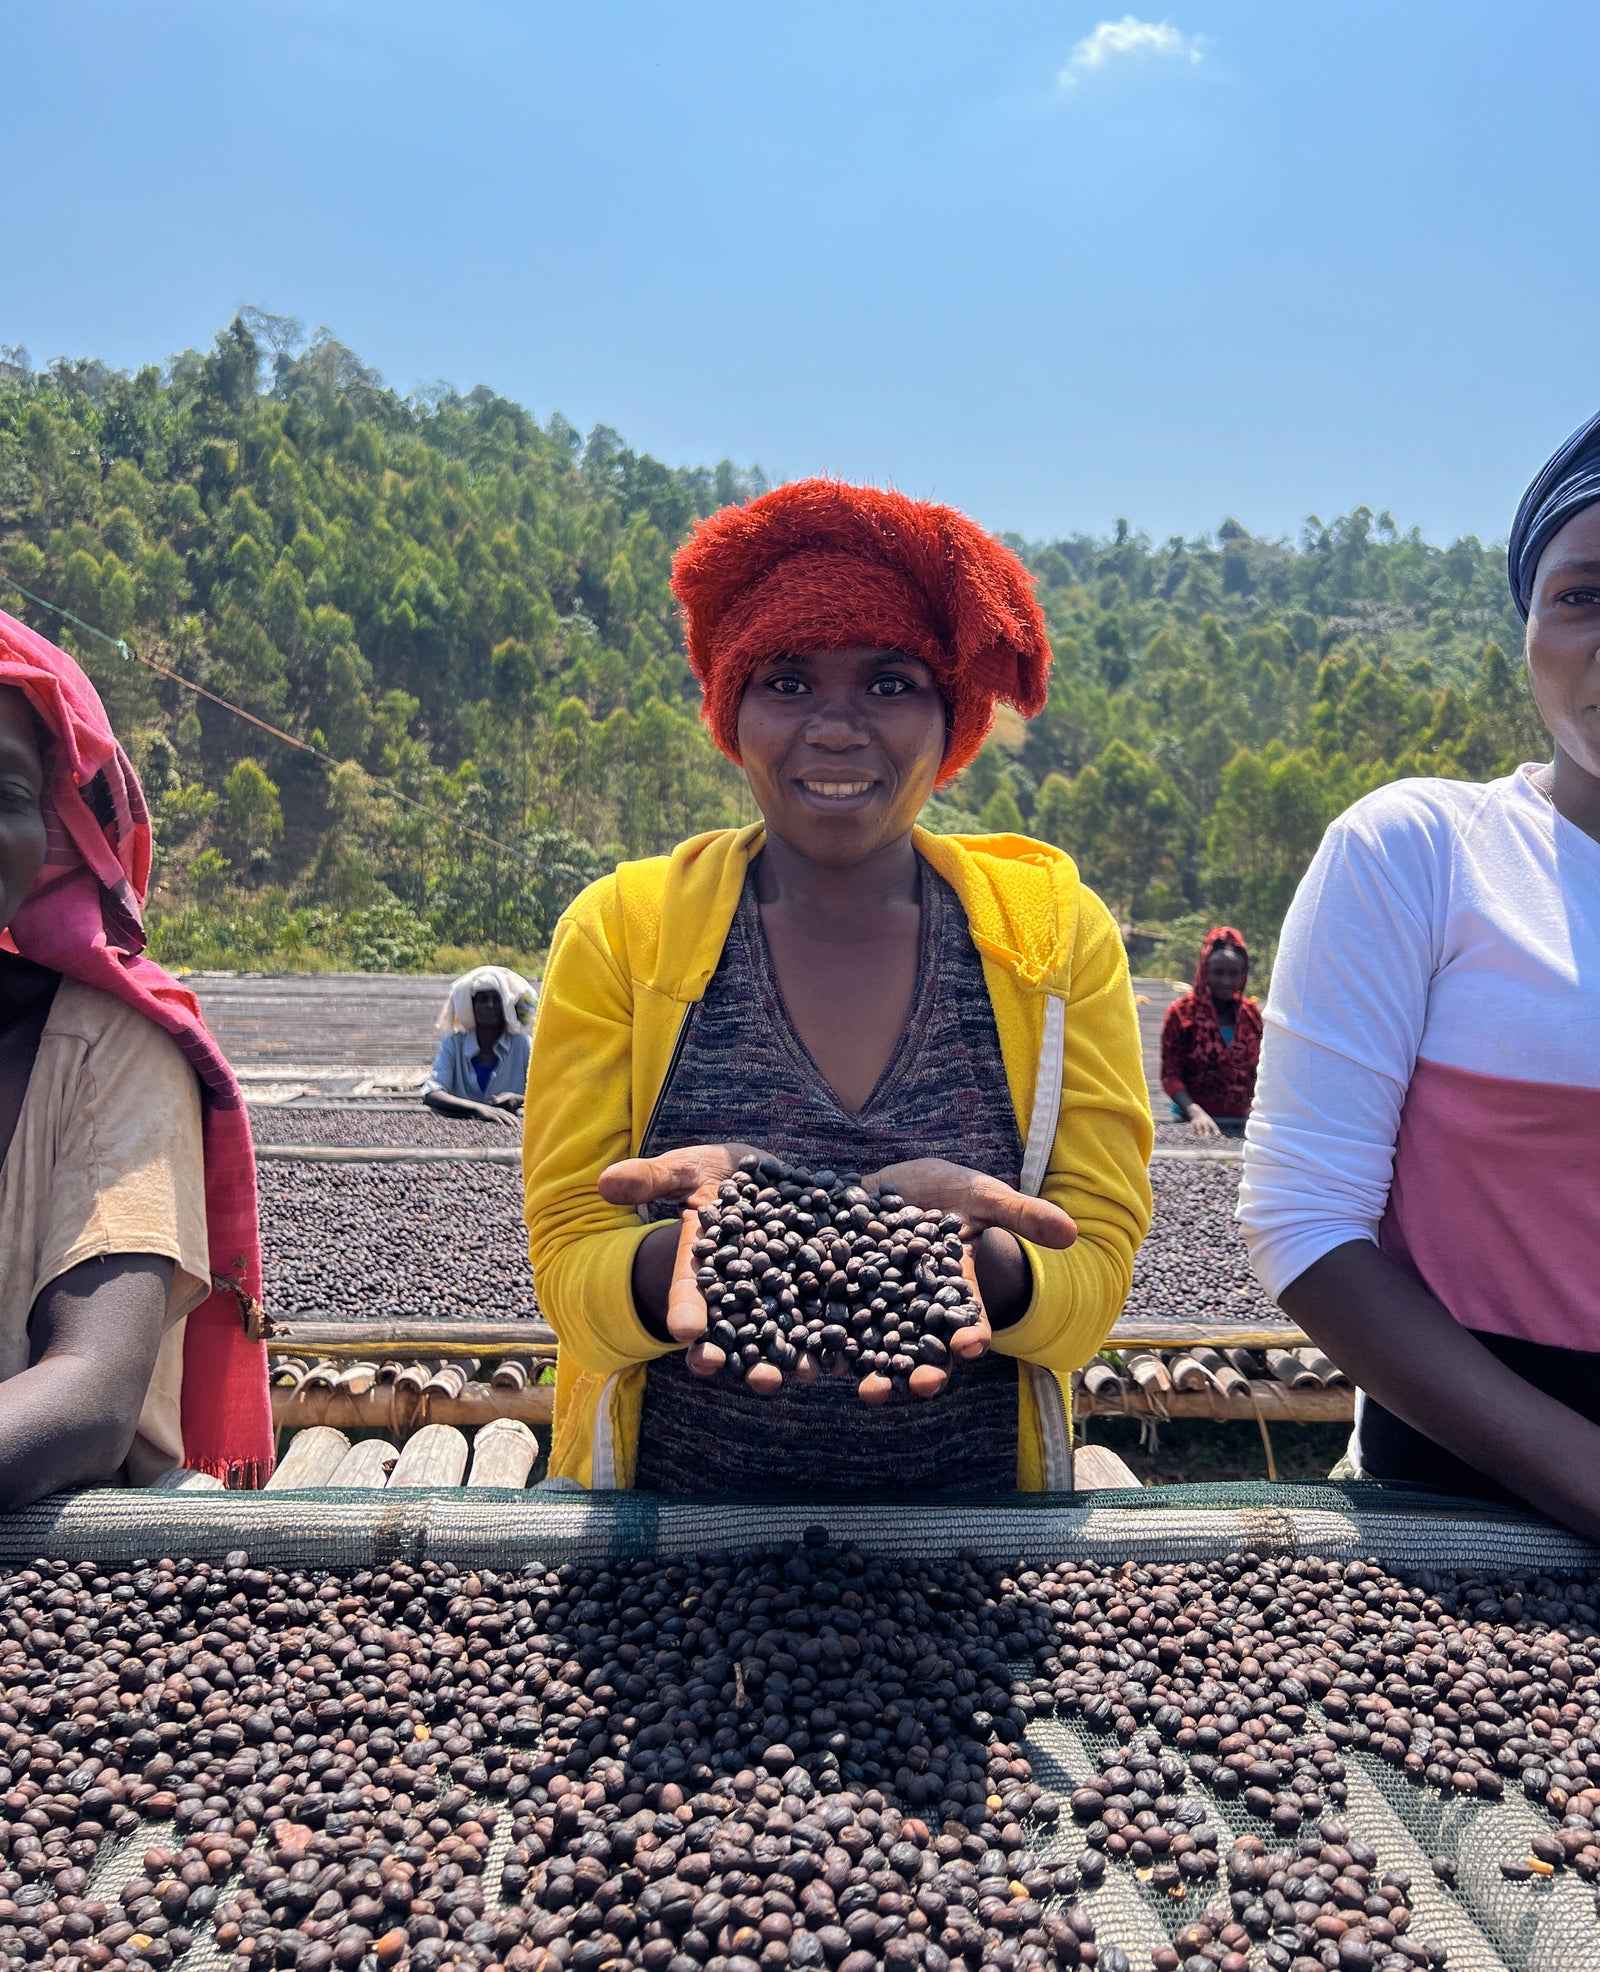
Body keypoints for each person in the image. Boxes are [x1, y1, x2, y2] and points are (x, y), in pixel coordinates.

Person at [525, 479, 1153, 1494]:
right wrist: (677, 1262)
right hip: (666, 1544)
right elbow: (567, 1261)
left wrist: (983, 1263)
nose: (834, 728)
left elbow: (1095, 1272)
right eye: (786, 682)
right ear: (734, 713)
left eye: (889, 684)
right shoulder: (626, 931)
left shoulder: (1048, 940)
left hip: (979, 1546)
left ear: (953, 717)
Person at [1239, 407, 1600, 1533]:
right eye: (1582, 596)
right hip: (1450, 1515)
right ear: (1529, 629)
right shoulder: (1423, 853)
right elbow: (1303, 1218)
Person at [0, 610, 273, 1504]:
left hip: (58, 1538)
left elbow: (89, 1396)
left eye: (3, 794)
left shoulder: (108, 1048)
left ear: (48, 832)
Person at [1159, 926, 1262, 1138]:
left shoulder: (1252, 1016)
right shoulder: (1182, 1013)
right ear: (1205, 971)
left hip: (1242, 1119)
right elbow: (1170, 1074)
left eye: (1233, 973)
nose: (1226, 981)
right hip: (1192, 1117)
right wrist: (1194, 1111)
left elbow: (1264, 1069)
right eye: (1218, 972)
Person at [422, 965, 534, 1122]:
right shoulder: (454, 1044)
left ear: (507, 1006)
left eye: (496, 999)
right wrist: (478, 1108)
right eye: (483, 1000)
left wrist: (518, 1099)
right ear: (472, 1007)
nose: (490, 1005)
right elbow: (432, 1093)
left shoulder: (523, 1045)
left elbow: (548, 1096)